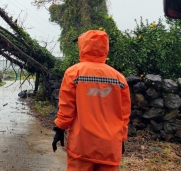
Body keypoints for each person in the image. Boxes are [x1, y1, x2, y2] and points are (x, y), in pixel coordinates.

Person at [52, 30, 131, 170]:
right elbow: (124, 115)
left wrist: (60, 128)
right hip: (110, 147)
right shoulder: (119, 78)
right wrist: (121, 139)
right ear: (105, 48)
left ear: (83, 47)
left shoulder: (74, 73)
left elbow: (66, 107)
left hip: (81, 145)